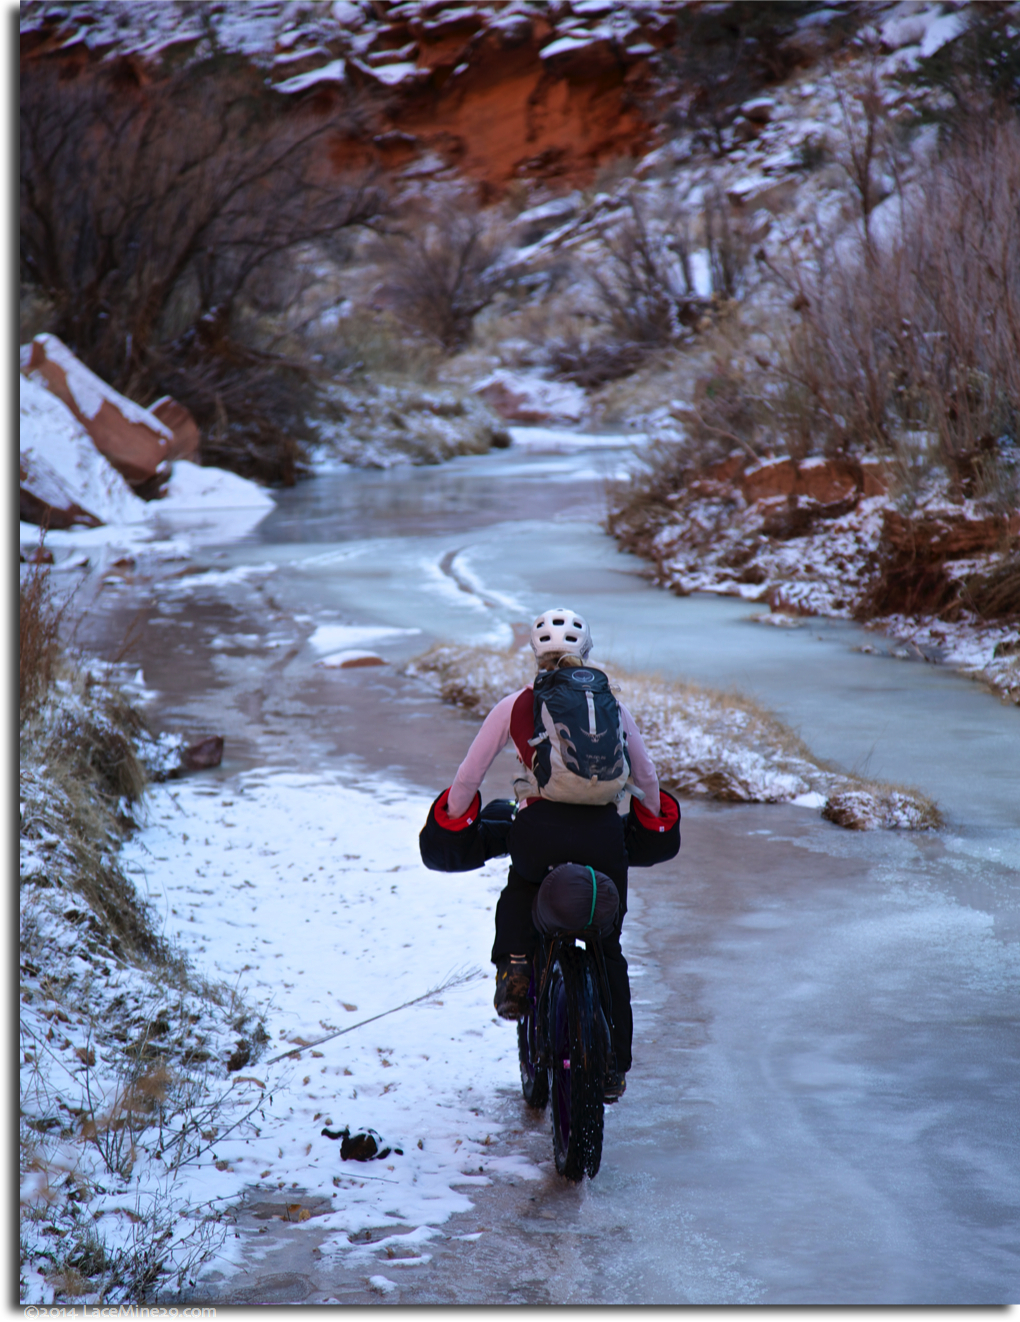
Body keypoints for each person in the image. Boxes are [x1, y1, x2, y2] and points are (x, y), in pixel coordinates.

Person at [445, 606, 663, 1101]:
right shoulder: (609, 704)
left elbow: (469, 775)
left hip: (539, 829)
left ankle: (518, 966)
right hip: (603, 835)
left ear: (535, 653)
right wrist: (653, 814)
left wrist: (454, 817)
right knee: (608, 946)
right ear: (586, 653)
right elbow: (646, 778)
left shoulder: (518, 704)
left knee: (521, 888)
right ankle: (614, 1068)